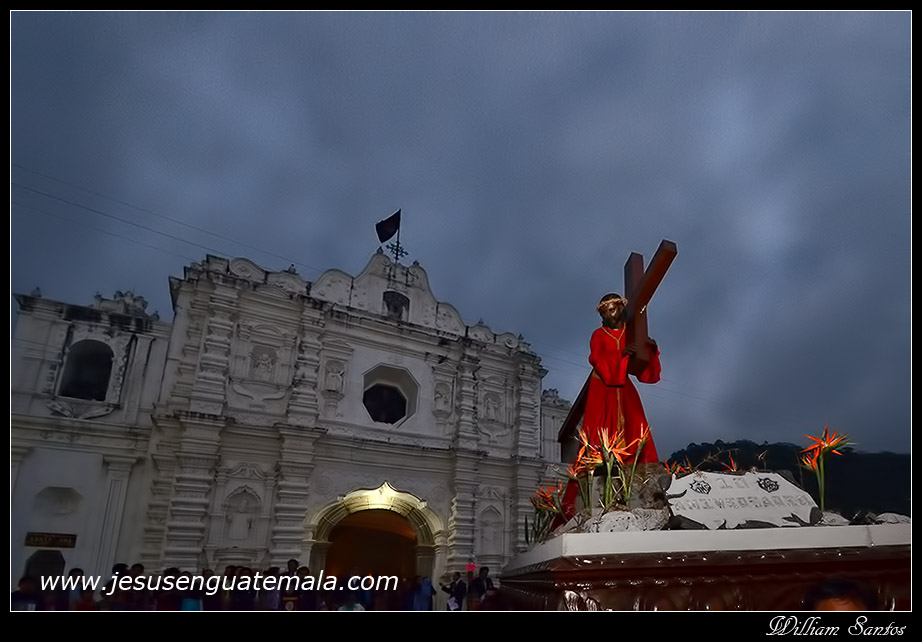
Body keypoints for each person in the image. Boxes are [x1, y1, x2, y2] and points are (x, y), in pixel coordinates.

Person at [561, 293, 662, 519]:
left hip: (624, 390)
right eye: (605, 311)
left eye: (613, 308)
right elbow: (597, 360)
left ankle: (637, 479)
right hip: (603, 389)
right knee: (600, 435)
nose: (609, 313)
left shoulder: (630, 333)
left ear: (621, 309)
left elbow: (644, 371)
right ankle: (602, 478)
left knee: (636, 429)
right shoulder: (598, 335)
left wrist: (649, 350)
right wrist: (622, 356)